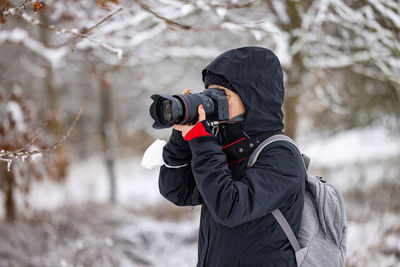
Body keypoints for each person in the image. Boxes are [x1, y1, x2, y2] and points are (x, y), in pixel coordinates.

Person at [158, 46, 306, 267]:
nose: (212, 102)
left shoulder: (281, 154)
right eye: (209, 93)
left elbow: (230, 208)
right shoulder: (224, 147)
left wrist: (202, 141)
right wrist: (181, 140)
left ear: (252, 97)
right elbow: (177, 191)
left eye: (222, 95)